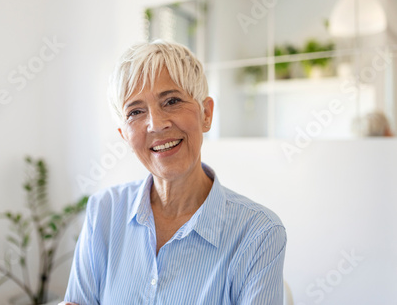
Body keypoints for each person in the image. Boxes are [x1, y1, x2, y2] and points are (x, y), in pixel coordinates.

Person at [61, 40, 287, 304]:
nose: (156, 124)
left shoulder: (259, 233)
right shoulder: (105, 210)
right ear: (124, 135)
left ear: (206, 114)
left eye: (171, 101)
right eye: (135, 111)